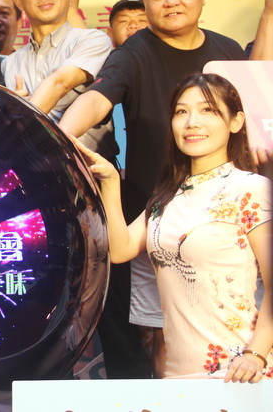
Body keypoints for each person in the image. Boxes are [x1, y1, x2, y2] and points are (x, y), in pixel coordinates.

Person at [59, 0, 258, 376]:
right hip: (159, 213)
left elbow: (257, 102)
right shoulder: (134, 52)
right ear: (147, 2)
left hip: (226, 216)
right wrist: (61, 139)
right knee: (162, 329)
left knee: (236, 315)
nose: (171, 1)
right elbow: (97, 99)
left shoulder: (227, 51)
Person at [75, 73, 272, 382]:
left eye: (207, 110)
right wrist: (111, 182)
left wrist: (255, 355)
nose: (192, 122)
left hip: (240, 371)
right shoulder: (166, 198)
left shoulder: (251, 189)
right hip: (178, 374)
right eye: (181, 112)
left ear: (236, 122)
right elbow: (121, 250)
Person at [4, 0, 116, 159]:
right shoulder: (10, 63)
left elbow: (60, 83)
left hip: (86, 171)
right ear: (18, 1)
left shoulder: (93, 40)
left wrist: (21, 115)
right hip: (28, 171)